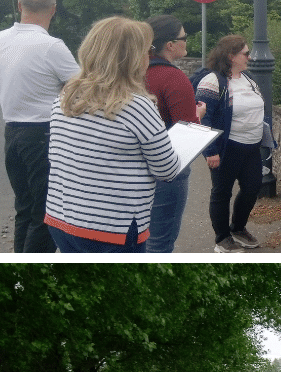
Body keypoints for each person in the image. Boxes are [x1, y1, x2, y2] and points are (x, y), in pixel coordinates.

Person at [44, 17, 182, 252]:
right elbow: (167, 170)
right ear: (134, 58)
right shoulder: (137, 106)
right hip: (112, 230)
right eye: (146, 50)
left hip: (61, 219)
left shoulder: (66, 97)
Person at [0, 0, 79, 252]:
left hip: (11, 131)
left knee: (24, 208)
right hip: (44, 134)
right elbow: (81, 90)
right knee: (46, 213)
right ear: (53, 10)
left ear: (19, 6)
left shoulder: (1, 39)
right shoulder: (51, 47)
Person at [196, 35, 266, 253]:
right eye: (246, 53)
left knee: (252, 188)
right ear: (231, 56)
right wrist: (210, 151)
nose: (249, 57)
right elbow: (202, 117)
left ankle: (238, 229)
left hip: (251, 146)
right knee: (222, 192)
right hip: (227, 148)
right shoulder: (212, 81)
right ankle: (222, 238)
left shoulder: (249, 79)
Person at [144, 15, 206, 252]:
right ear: (170, 45)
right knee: (160, 242)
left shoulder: (131, 72)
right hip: (167, 169)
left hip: (132, 169)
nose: (186, 41)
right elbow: (187, 130)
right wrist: (199, 113)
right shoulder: (174, 78)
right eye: (184, 37)